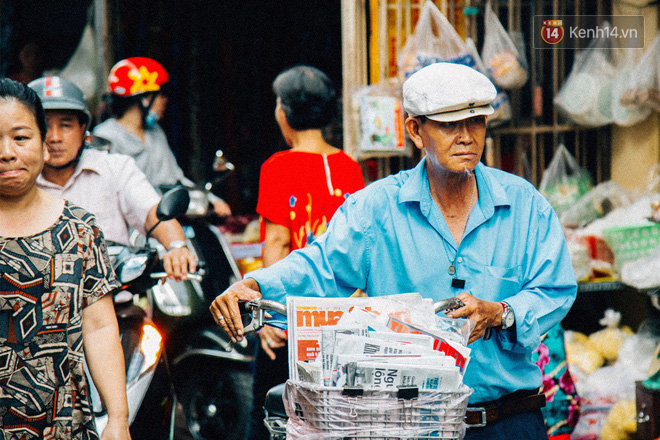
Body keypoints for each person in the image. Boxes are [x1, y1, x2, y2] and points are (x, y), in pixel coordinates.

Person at [210, 62, 578, 439]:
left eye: (476, 122)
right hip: (410, 425)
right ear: (416, 130)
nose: (467, 136)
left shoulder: (524, 205)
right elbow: (320, 266)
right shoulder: (375, 209)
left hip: (510, 421)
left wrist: (500, 313)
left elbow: (555, 289)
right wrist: (255, 286)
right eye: (449, 124)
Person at [0, 78, 130, 439]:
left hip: (63, 425)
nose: (7, 152)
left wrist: (118, 420)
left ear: (44, 146)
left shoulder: (79, 229)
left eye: (21, 138)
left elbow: (100, 328)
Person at [247, 65, 365, 440]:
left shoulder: (278, 166)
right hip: (343, 320)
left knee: (274, 419)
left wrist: (267, 313)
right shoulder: (349, 167)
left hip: (294, 319)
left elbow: (278, 242)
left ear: (284, 113)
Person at [29, 76, 196, 281]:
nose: (54, 137)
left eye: (66, 125)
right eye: (45, 127)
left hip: (116, 299)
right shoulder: (16, 180)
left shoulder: (115, 167)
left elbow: (152, 212)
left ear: (83, 130)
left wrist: (177, 247)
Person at [92, 57, 231, 217]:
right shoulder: (105, 136)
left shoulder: (155, 132)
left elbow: (176, 179)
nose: (165, 100)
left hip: (163, 217)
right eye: (160, 95)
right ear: (145, 99)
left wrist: (211, 200)